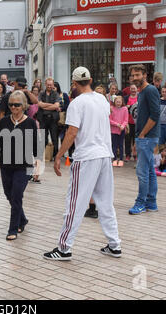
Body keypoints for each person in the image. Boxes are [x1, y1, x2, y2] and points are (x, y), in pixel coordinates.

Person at [43, 66, 121, 261]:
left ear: (74, 83)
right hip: (104, 154)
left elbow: (72, 132)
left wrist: (59, 155)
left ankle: (64, 248)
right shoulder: (102, 100)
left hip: (86, 156)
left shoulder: (77, 103)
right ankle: (114, 244)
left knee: (74, 203)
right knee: (105, 202)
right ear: (91, 80)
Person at [0, 90, 40, 240]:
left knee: (17, 195)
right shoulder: (4, 121)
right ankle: (22, 219)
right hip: (6, 165)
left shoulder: (30, 122)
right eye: (11, 105)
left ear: (23, 105)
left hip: (24, 165)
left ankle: (13, 229)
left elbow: (37, 146)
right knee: (9, 195)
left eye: (17, 105)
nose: (13, 107)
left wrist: (38, 166)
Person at [129, 64, 161, 215]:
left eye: (137, 75)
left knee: (142, 172)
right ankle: (151, 203)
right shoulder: (142, 92)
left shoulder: (150, 90)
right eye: (133, 75)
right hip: (145, 137)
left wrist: (142, 135)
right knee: (149, 172)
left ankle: (140, 203)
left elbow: (155, 115)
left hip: (147, 137)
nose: (135, 78)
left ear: (145, 75)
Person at [37, 78, 61, 160]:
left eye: (51, 84)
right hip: (43, 119)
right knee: (43, 138)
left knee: (55, 138)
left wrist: (45, 106)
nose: (49, 86)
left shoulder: (56, 94)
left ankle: (55, 156)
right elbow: (39, 104)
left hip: (53, 119)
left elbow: (56, 106)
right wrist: (51, 105)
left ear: (53, 85)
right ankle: (42, 155)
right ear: (45, 84)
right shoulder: (41, 93)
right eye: (48, 84)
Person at [110, 96, 128, 167]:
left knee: (121, 145)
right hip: (114, 130)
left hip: (122, 130)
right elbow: (110, 119)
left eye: (119, 102)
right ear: (114, 102)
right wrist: (117, 124)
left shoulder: (125, 109)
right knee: (114, 145)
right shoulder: (111, 108)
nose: (118, 103)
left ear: (122, 102)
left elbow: (126, 120)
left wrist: (123, 126)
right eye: (117, 102)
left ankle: (121, 159)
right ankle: (114, 159)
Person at [124, 84, 138, 162]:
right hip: (128, 122)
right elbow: (122, 107)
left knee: (136, 140)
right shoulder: (126, 98)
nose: (133, 90)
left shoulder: (140, 97)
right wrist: (126, 106)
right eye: (131, 89)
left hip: (137, 122)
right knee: (128, 139)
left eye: (134, 89)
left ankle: (135, 155)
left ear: (137, 89)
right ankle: (128, 155)